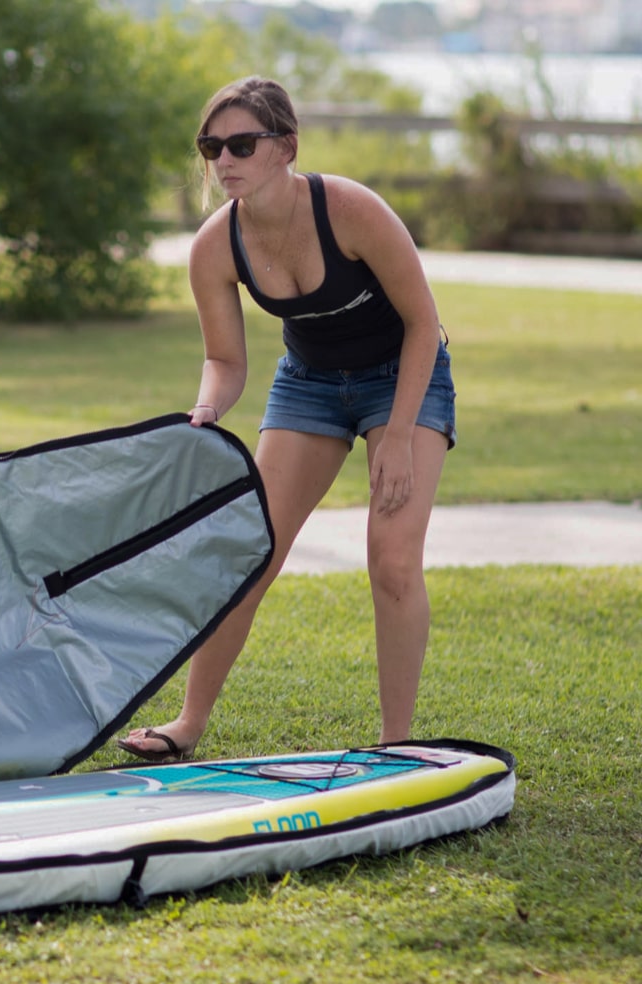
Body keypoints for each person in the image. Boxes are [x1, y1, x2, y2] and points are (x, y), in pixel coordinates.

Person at [118, 76, 456, 762]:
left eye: (241, 143)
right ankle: (187, 723)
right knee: (251, 552)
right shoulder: (215, 247)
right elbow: (226, 360)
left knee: (392, 561)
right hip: (308, 385)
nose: (224, 159)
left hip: (405, 377)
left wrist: (397, 434)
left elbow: (424, 324)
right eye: (211, 146)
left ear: (286, 148)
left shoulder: (351, 211)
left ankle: (395, 744)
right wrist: (208, 406)